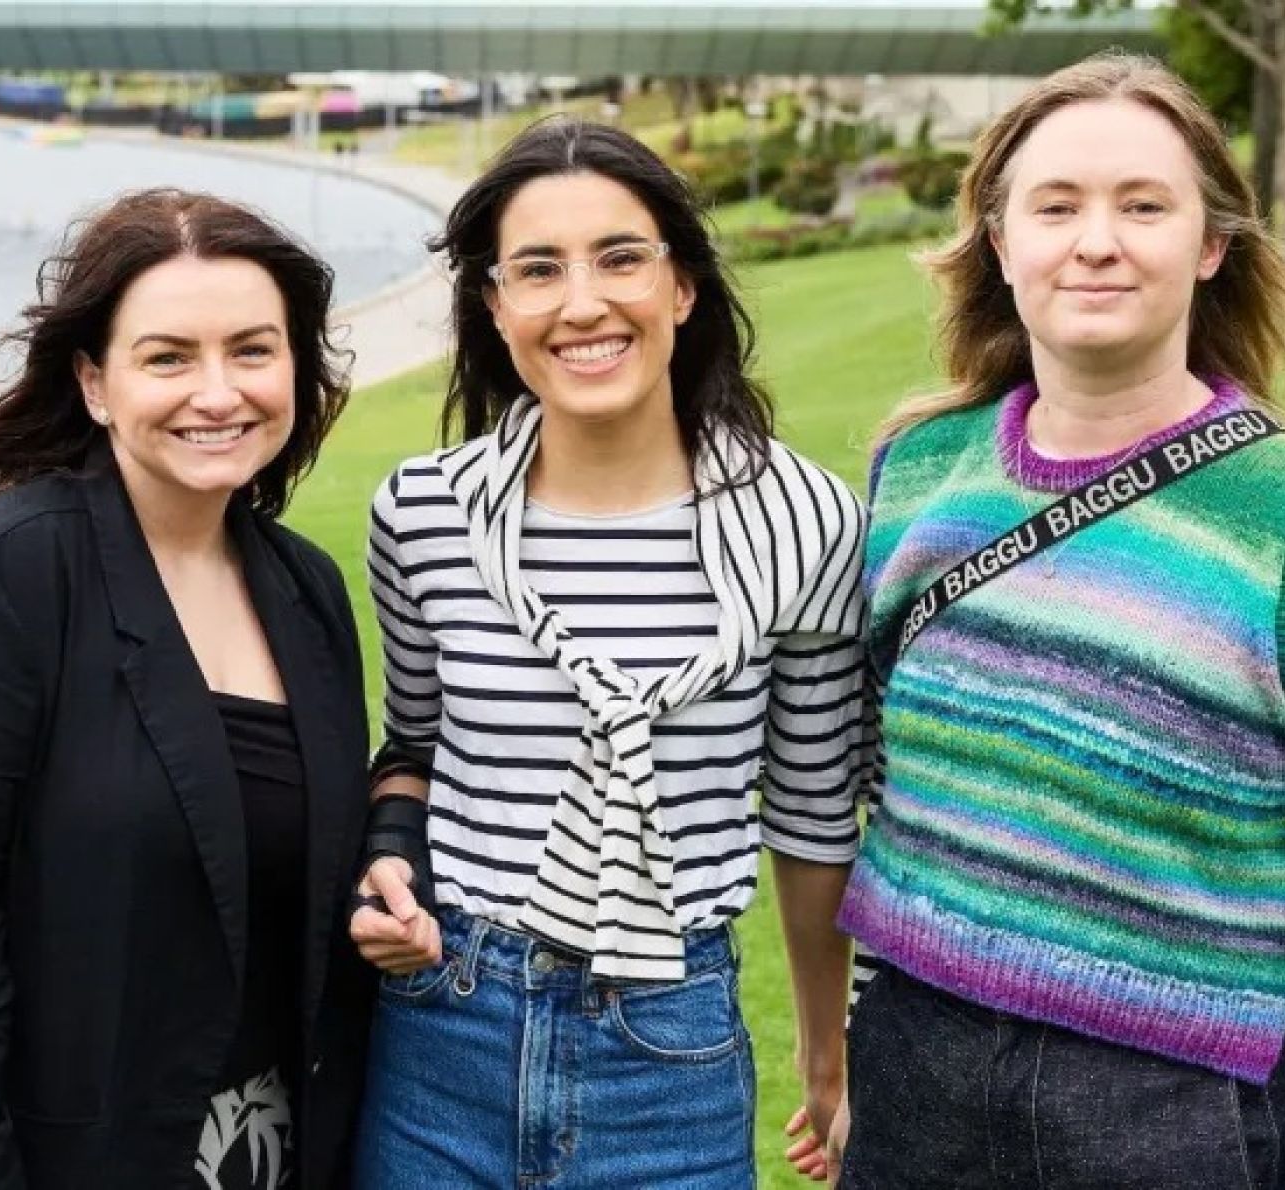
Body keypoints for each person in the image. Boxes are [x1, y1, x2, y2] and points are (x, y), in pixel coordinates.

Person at [829, 53, 1285, 1189]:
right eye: (1055, 206)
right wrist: (868, 1049)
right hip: (916, 1083)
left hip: (1176, 1114)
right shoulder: (913, 477)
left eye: (1144, 204)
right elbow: (897, 808)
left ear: (1210, 245)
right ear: (999, 242)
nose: (1096, 239)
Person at [0, 188, 375, 1190]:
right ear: (95, 382)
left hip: (240, 1150)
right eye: (168, 356)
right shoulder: (2, 578)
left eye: (253, 350)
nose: (217, 392)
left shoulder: (305, 588)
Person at [348, 118, 869, 1188]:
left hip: (670, 1048)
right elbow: (414, 750)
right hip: (443, 1027)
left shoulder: (809, 522)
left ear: (682, 285)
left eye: (620, 257)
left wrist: (828, 1051)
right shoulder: (422, 514)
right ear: (496, 307)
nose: (582, 303)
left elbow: (814, 812)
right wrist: (385, 869)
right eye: (538, 270)